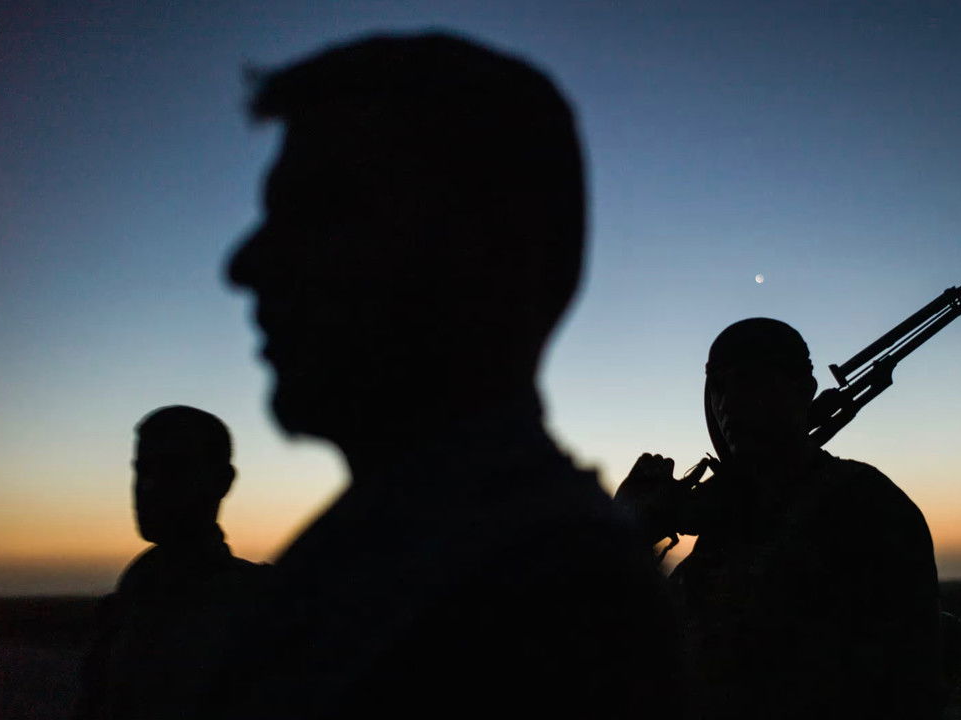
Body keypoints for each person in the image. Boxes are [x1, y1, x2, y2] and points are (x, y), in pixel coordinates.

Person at [205, 32, 680, 719]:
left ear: (489, 254)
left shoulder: (549, 612)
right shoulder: (402, 555)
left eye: (320, 211)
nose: (245, 264)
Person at [616, 318, 943, 719]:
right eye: (719, 387)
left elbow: (905, 684)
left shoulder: (865, 507)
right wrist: (628, 534)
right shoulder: (726, 522)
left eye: (751, 382)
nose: (728, 404)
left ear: (804, 391)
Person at [74, 406, 266, 720]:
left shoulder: (261, 607)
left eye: (174, 470)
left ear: (222, 481)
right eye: (143, 470)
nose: (148, 486)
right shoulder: (124, 606)